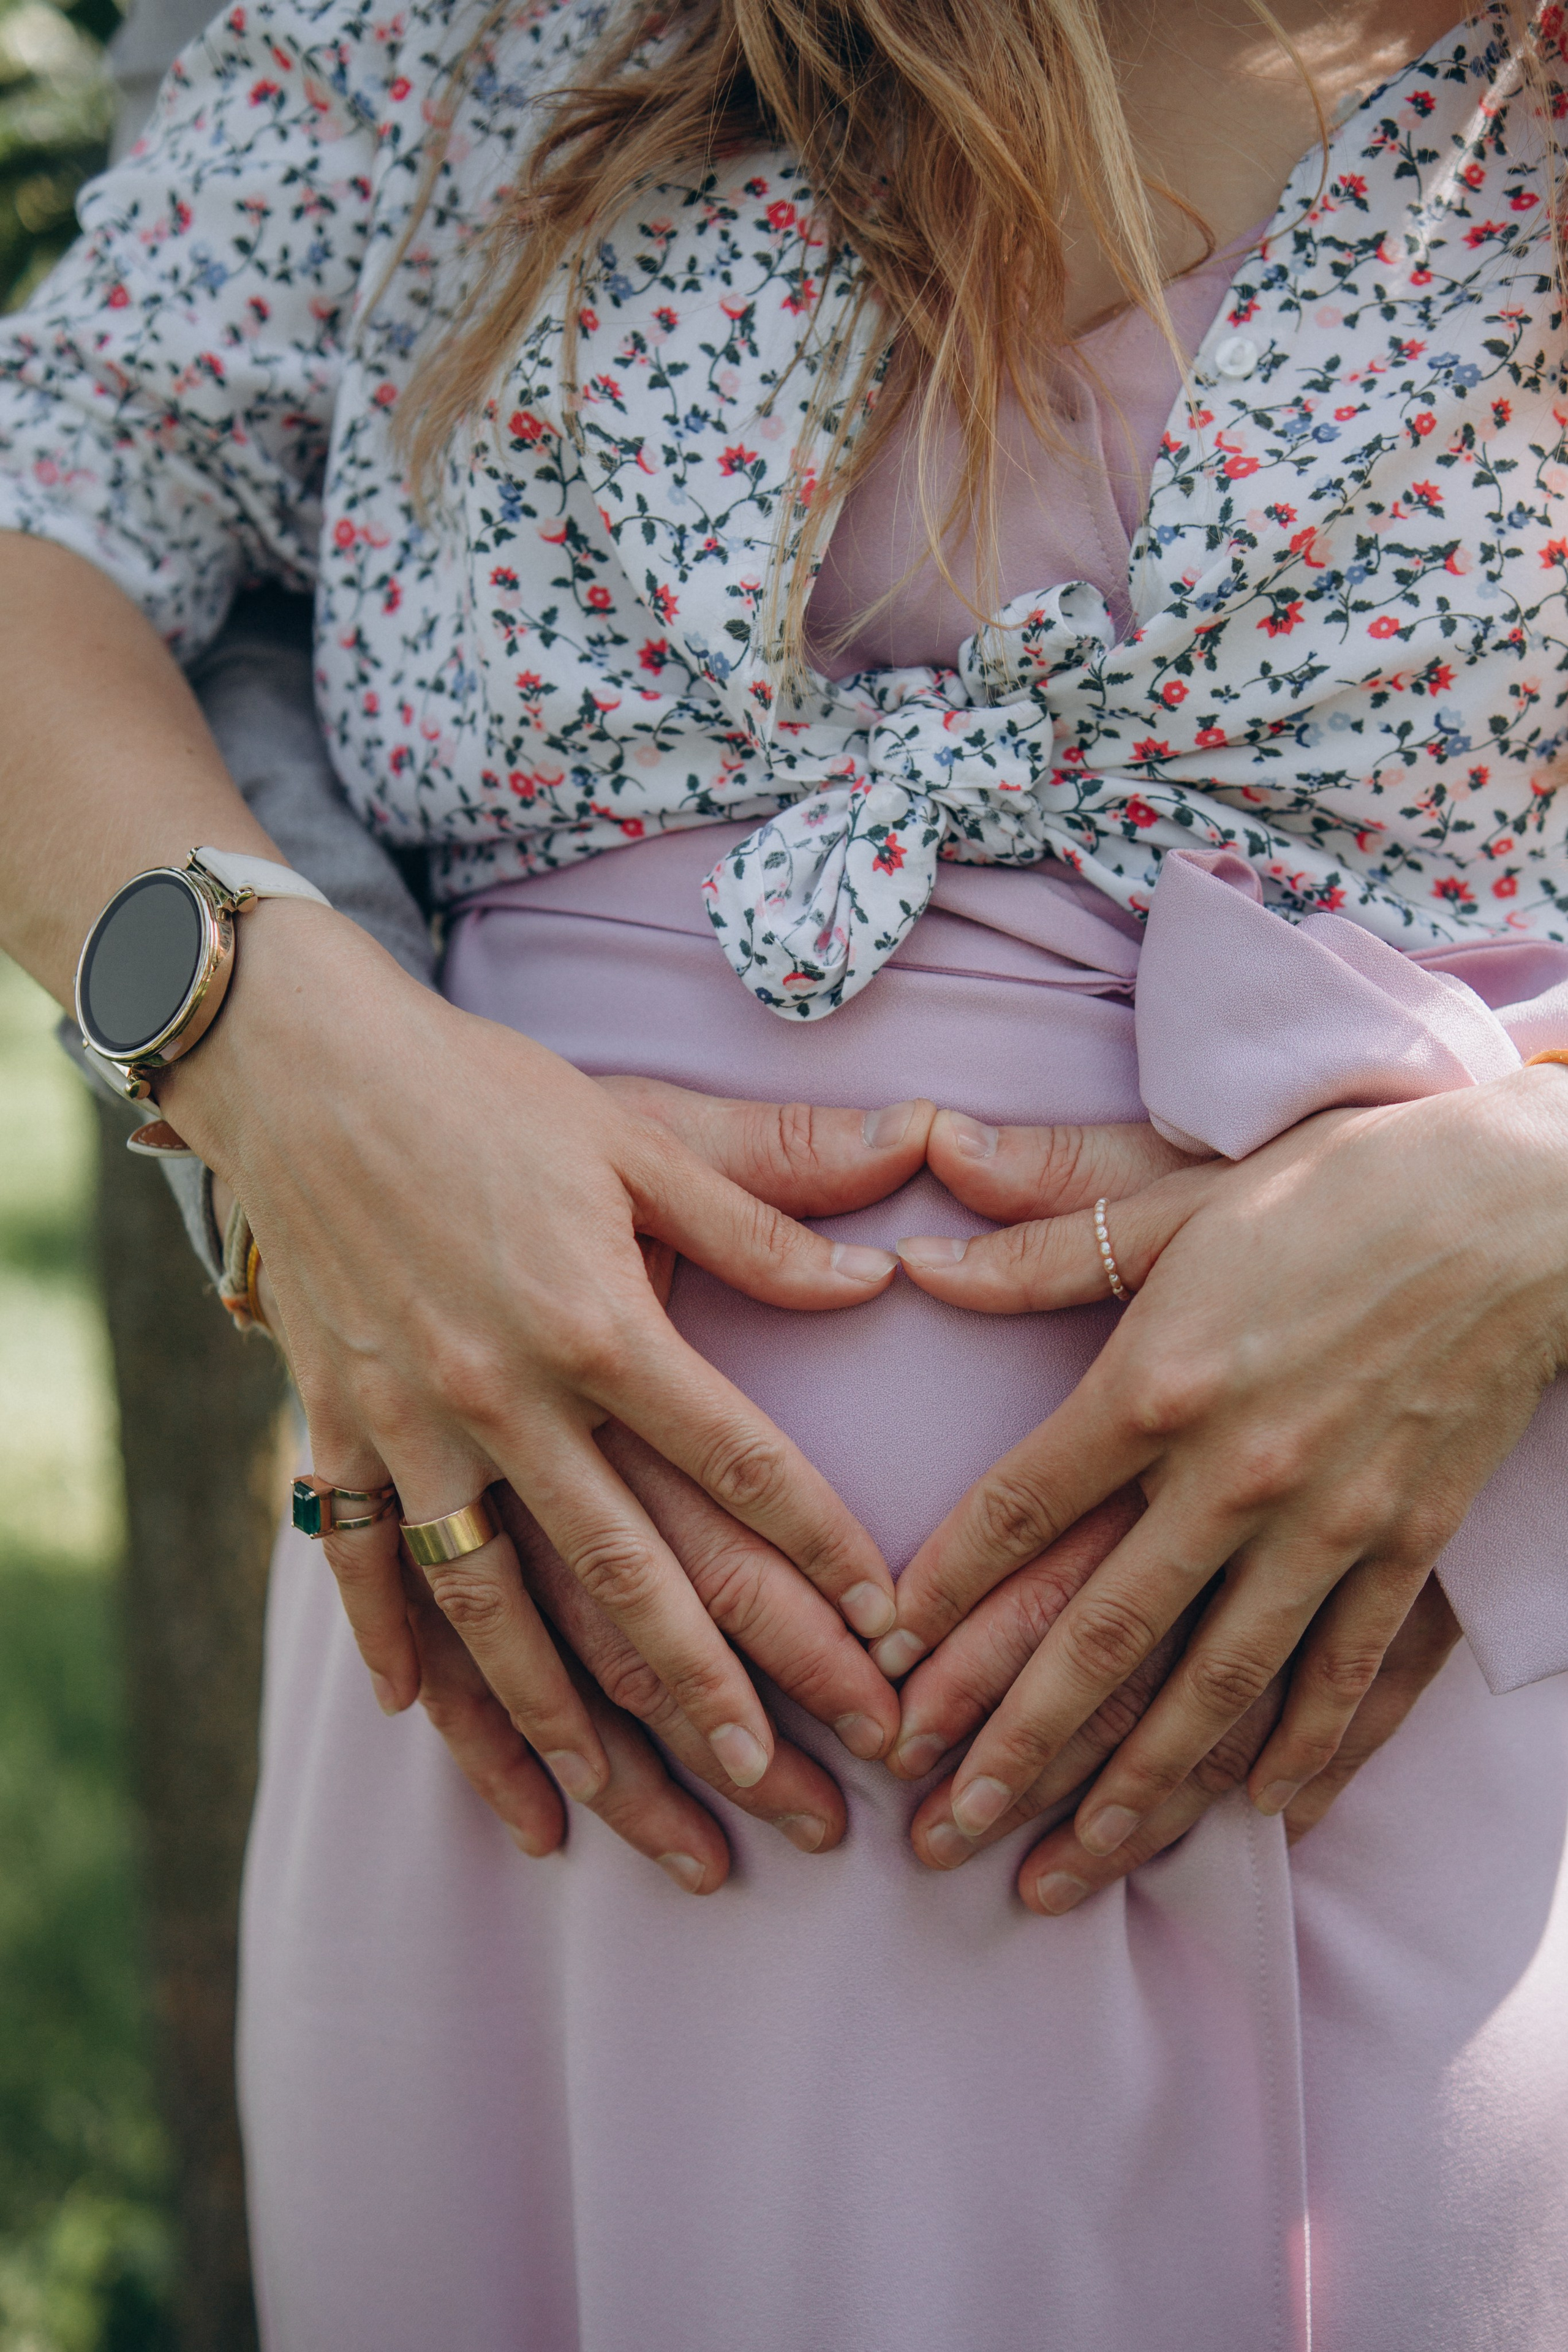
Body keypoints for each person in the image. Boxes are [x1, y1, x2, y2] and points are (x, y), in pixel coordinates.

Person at [4, 0, 1568, 2339]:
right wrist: (263, 1040)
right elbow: (52, 520)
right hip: (542, 1779)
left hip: (1394, 1713)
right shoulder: (462, 30)